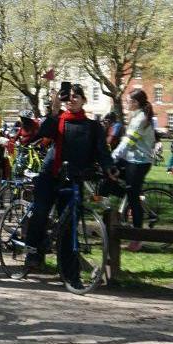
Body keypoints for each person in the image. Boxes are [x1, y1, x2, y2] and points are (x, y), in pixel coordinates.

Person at [18, 84, 114, 288]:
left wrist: (109, 168)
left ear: (83, 100)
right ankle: (32, 252)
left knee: (69, 229)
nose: (72, 100)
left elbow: (102, 151)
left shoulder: (93, 126)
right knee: (41, 211)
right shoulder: (58, 120)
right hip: (51, 173)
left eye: (76, 96)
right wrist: (53, 109)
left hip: (75, 178)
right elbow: (43, 133)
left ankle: (71, 276)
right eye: (68, 97)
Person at [112, 89, 157, 251]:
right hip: (132, 160)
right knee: (110, 177)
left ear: (135, 103)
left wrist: (113, 157)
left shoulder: (140, 119)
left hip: (139, 162)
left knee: (133, 196)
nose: (126, 103)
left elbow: (128, 142)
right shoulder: (136, 116)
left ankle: (137, 239)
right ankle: (123, 209)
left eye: (128, 100)